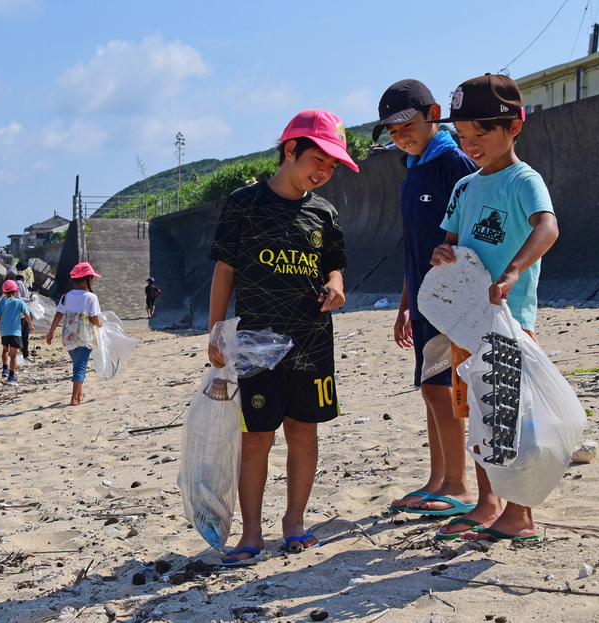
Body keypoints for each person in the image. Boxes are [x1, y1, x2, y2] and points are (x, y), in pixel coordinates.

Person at [207, 109, 357, 564]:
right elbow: (224, 269)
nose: (324, 172)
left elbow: (335, 263)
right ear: (290, 149)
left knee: (304, 431)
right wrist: (215, 331)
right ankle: (250, 532)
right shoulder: (243, 204)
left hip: (312, 342)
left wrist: (337, 284)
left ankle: (294, 522)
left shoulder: (324, 213)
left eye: (333, 166)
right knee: (256, 437)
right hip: (256, 344)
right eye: (319, 159)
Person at [429, 74, 558, 542]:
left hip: (509, 322)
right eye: (463, 137)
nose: (472, 144)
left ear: (514, 127)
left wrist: (515, 269)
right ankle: (488, 502)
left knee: (509, 418)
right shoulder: (464, 187)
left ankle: (520, 514)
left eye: (481, 134)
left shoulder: (524, 180)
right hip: (468, 324)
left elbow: (547, 227)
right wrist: (441, 256)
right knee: (478, 417)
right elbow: (448, 244)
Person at [374, 80, 477, 517]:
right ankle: (438, 479)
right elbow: (412, 246)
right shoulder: (413, 167)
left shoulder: (454, 164)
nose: (401, 136)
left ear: (434, 113)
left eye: (407, 125)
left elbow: (470, 237)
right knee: (429, 390)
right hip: (421, 302)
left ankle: (459, 485)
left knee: (442, 389)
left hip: (450, 303)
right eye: (392, 131)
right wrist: (403, 305)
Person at [46, 262, 104, 406]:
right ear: (88, 279)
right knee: (81, 367)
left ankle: (79, 395)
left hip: (69, 337)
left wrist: (51, 332)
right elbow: (93, 318)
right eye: (92, 278)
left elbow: (58, 315)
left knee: (77, 365)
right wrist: (101, 324)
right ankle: (73, 398)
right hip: (85, 337)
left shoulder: (66, 296)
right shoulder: (91, 297)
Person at [0, 280, 34, 383]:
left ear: (4, 292)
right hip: (15, 331)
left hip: (4, 331)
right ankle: (11, 375)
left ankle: (5, 369)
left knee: (5, 350)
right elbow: (27, 314)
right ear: (15, 292)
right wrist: (30, 325)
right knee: (13, 354)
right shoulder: (19, 302)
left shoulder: (1, 303)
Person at [14, 274, 34, 360]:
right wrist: (30, 300)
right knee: (22, 335)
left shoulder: (20, 282)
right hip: (20, 314)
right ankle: (22, 354)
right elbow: (18, 298)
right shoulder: (19, 283)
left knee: (24, 335)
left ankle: (25, 354)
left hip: (22, 313)